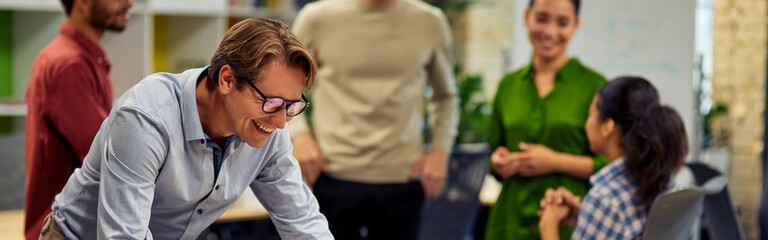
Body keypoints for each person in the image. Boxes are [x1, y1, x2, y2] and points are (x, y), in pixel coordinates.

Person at [37, 18, 332, 240]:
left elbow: (302, 221)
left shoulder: (269, 126)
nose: (281, 122)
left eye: (293, 106)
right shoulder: (146, 119)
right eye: (272, 102)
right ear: (227, 80)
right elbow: (124, 236)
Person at [289, 0, 459, 238]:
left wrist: (440, 150)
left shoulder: (430, 21)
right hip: (331, 175)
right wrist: (299, 134)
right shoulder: (316, 18)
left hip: (403, 177)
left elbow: (445, 95)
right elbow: (283, 88)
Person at [485, 0, 609, 238]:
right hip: (509, 222)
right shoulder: (508, 86)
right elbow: (494, 152)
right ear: (526, 17)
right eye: (541, 19)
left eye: (562, 23)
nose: (550, 32)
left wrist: (555, 161)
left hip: (568, 222)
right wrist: (498, 161)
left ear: (575, 26)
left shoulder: (595, 87)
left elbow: (610, 164)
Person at [24, 0, 133, 238]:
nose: (129, 2)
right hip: (66, 230)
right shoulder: (69, 66)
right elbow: (109, 159)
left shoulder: (78, 58)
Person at [537, 76, 688, 239]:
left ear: (607, 127)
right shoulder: (662, 181)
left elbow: (612, 208)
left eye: (590, 115)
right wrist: (587, 216)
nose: (586, 123)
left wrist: (549, 223)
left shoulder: (604, 199)